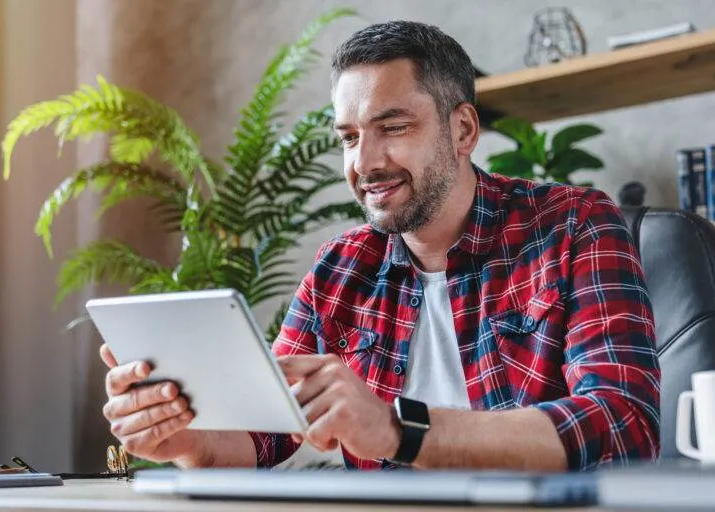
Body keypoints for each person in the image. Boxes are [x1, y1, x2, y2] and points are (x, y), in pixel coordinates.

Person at [100, 20, 660, 472]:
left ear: (463, 130)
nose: (364, 163)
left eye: (392, 128)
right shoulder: (341, 267)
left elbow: (623, 424)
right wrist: (186, 440)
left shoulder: (573, 225)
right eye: (349, 137)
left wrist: (397, 429)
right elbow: (269, 432)